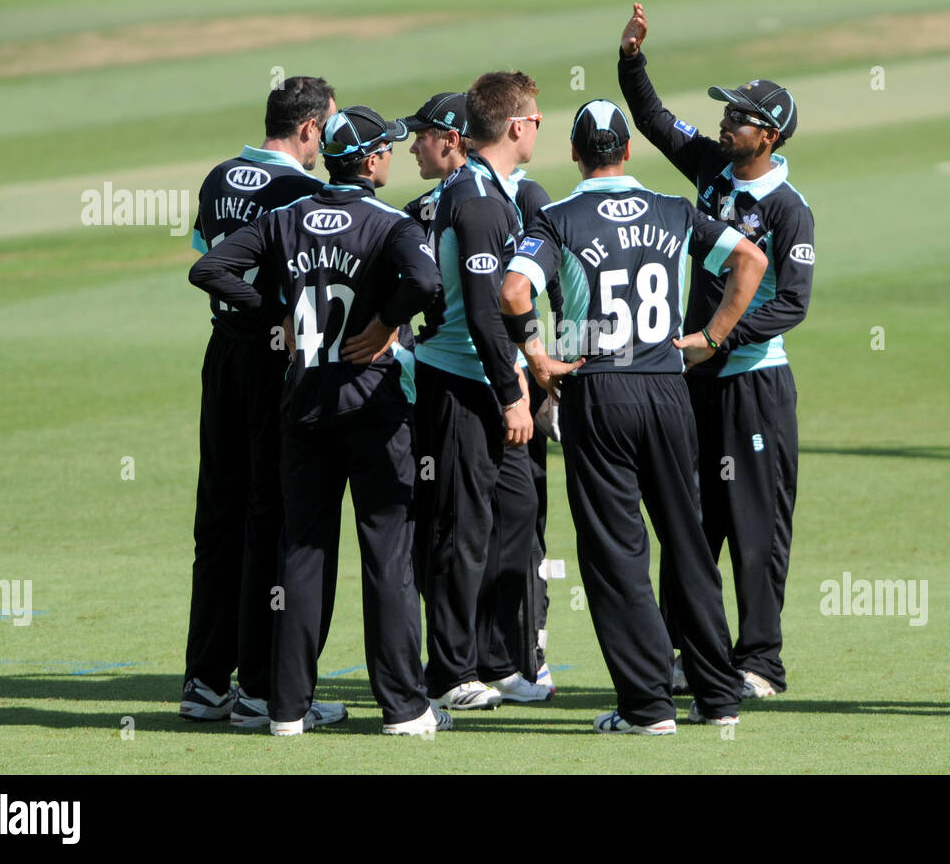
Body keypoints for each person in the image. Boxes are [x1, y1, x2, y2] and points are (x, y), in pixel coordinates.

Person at [500, 99, 767, 734]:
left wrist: (537, 357)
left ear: (573, 153)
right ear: (627, 149)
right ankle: (717, 695)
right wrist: (710, 337)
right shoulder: (675, 210)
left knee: (616, 551)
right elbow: (750, 262)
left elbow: (513, 289)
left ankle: (647, 707)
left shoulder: (557, 217)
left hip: (598, 391)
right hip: (668, 389)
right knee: (688, 542)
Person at [189, 105, 450, 736]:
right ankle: (402, 706)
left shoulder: (283, 219)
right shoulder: (390, 223)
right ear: (367, 161)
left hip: (301, 407)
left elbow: (210, 268)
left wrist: (270, 317)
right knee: (387, 551)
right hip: (372, 407)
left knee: (301, 553)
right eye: (385, 147)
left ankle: (286, 708)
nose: (392, 153)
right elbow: (426, 282)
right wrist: (384, 324)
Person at [617, 3, 813, 699]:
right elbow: (651, 119)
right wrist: (632, 60)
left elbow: (792, 303)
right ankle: (686, 650)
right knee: (687, 521)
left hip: (753, 387)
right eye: (726, 115)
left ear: (771, 134)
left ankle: (760, 660)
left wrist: (714, 338)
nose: (725, 124)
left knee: (756, 530)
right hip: (691, 382)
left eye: (739, 118)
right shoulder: (711, 168)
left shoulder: (790, 209)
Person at [180, 76, 335, 725]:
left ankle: (205, 682)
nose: (326, 143)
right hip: (274, 362)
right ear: (306, 128)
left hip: (222, 357)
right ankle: (262, 688)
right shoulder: (303, 192)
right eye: (324, 130)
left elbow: (206, 257)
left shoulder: (220, 177)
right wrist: (271, 311)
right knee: (269, 519)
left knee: (218, 518)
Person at [397, 89, 558, 693]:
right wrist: (514, 393)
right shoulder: (476, 201)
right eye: (536, 119)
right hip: (463, 385)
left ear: (454, 138)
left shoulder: (486, 196)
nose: (414, 145)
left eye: (422, 134)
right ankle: (450, 671)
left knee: (514, 516)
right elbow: (489, 314)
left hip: (486, 377)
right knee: (462, 530)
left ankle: (495, 659)